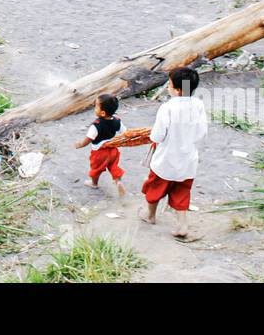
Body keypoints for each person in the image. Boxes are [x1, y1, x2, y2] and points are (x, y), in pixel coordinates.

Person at [140, 67, 208, 239]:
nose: (168, 87)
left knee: (154, 188)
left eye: (169, 84)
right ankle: (182, 225)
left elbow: (157, 135)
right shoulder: (199, 105)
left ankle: (150, 215)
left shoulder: (167, 108)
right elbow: (202, 133)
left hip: (166, 159)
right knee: (181, 192)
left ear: (177, 90)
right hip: (188, 160)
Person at [75, 94, 127, 196]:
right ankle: (118, 181)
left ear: (102, 113)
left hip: (99, 152)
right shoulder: (117, 120)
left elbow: (89, 139)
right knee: (113, 166)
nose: (95, 108)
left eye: (96, 106)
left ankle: (94, 183)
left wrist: (80, 144)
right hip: (113, 150)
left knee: (96, 168)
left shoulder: (96, 125)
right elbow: (125, 132)